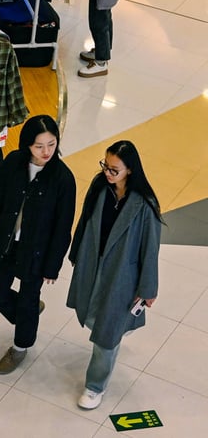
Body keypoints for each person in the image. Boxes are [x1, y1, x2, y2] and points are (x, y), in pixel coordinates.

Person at [0, 115, 77, 375]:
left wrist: (52, 267)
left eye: (51, 144)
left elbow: (62, 228)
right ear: (27, 145)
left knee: (28, 300)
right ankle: (27, 316)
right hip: (8, 243)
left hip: (37, 252)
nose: (46, 152)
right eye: (39, 146)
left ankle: (20, 347)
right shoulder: (13, 163)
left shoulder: (63, 179)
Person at [67, 140, 161, 410]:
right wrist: (76, 253)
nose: (107, 173)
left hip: (123, 275)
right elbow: (85, 220)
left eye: (114, 170)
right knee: (93, 316)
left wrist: (148, 289)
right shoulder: (100, 187)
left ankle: (95, 386)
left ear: (130, 170)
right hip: (93, 265)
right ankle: (115, 336)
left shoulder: (144, 205)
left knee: (106, 333)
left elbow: (150, 250)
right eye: (105, 166)